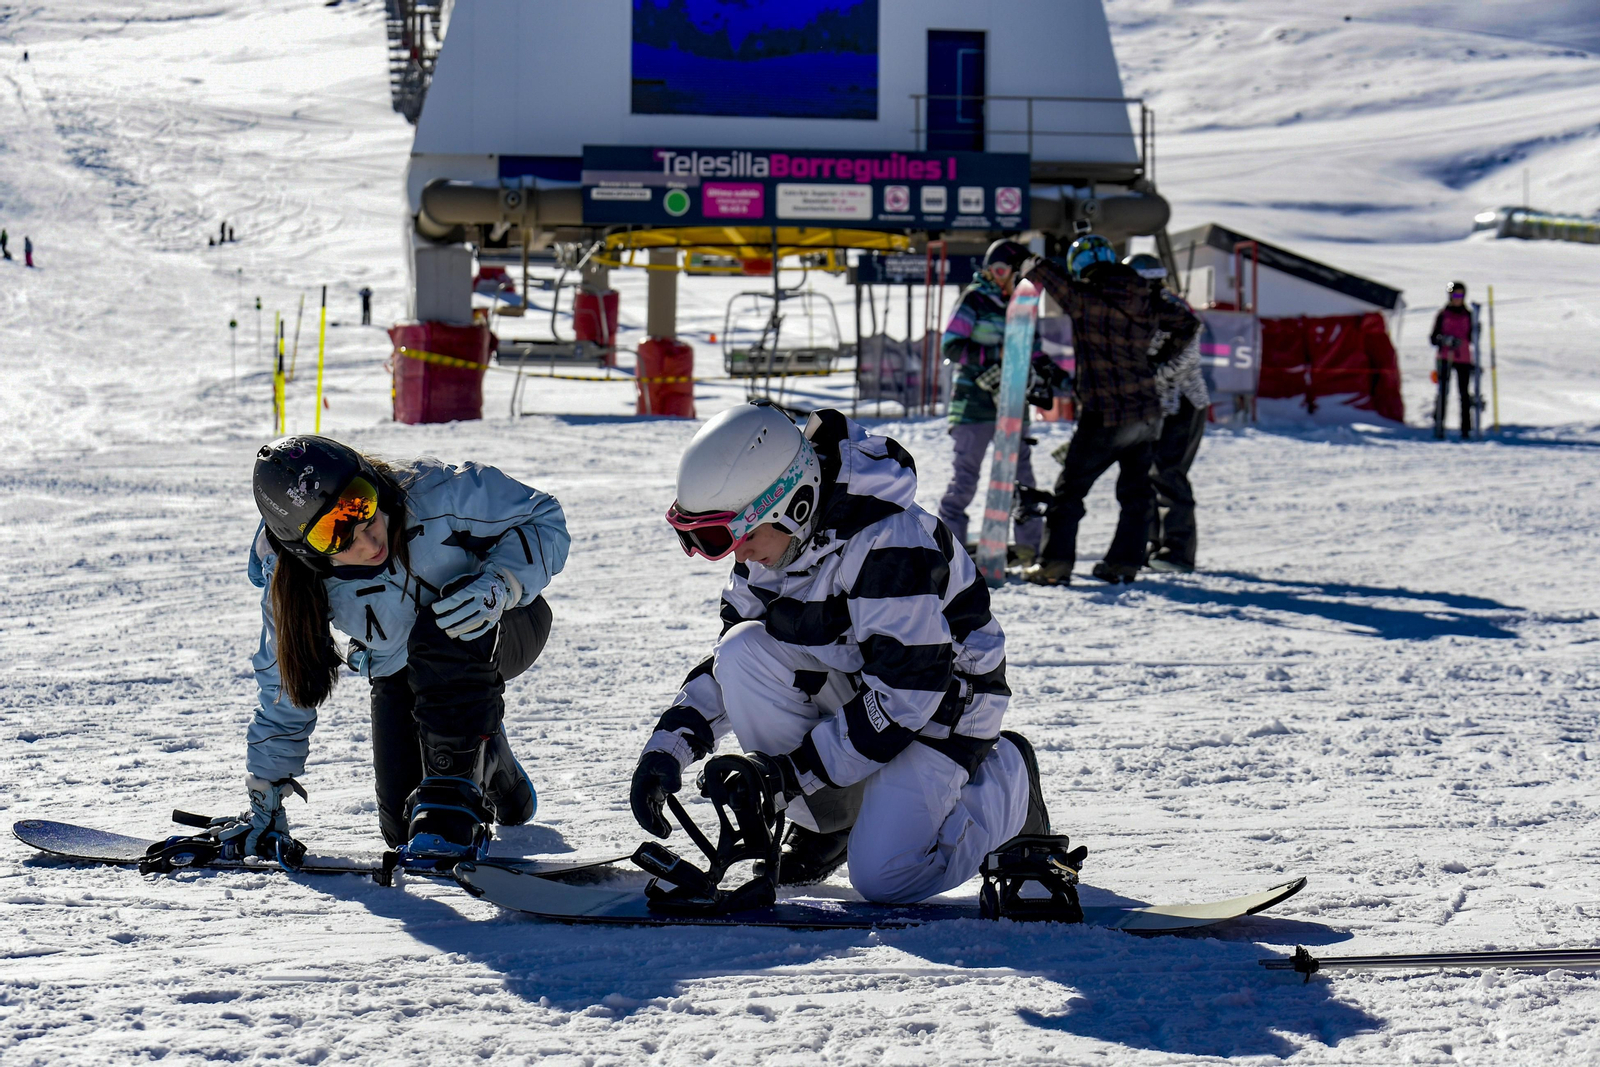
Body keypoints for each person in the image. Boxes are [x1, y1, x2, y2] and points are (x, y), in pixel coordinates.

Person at [630, 401, 1049, 902]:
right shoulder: (774, 545)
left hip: (942, 705)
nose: (736, 553)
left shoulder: (888, 542)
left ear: (793, 503)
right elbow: (728, 663)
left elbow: (906, 692)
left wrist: (786, 775)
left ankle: (1009, 783)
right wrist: (668, 749)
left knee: (884, 878)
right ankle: (829, 827)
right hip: (861, 685)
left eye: (736, 534)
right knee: (743, 650)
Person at [241, 435, 569, 859]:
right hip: (403, 664)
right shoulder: (293, 581)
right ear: (305, 549)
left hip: (501, 622)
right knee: (402, 826)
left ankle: (458, 782)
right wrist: (267, 792)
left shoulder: (436, 493)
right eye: (334, 534)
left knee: (440, 812)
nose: (368, 539)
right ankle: (487, 757)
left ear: (371, 480)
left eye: (361, 505)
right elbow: (284, 687)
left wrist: (503, 582)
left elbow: (544, 517)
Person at [1020, 236, 1200, 587]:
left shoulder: (1086, 298)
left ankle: (1054, 565)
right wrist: (1156, 360)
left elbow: (1052, 278)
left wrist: (1027, 260)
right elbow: (1188, 324)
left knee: (1070, 490)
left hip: (1106, 412)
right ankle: (1123, 565)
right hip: (1147, 412)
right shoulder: (1146, 295)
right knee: (1137, 494)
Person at [937, 239, 1043, 565]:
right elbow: (952, 346)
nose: (1020, 280)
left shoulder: (1023, 305)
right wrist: (999, 354)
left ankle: (1028, 548)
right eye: (1017, 272)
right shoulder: (976, 300)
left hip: (1011, 403)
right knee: (966, 477)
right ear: (1000, 271)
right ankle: (950, 549)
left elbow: (1034, 352)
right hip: (973, 406)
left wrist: (1045, 371)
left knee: (1021, 476)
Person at [1125, 253, 1211, 573]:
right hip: (1153, 406)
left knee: (1169, 472)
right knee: (1146, 473)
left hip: (1183, 404)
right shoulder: (1135, 310)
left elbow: (1184, 360)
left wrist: (1144, 376)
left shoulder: (1174, 309)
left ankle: (1178, 550)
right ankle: (1152, 544)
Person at [1429, 281, 1474, 441]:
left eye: (1460, 295)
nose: (1458, 298)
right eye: (1455, 295)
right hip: (1445, 357)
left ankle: (1466, 429)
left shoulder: (1468, 315)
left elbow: (1472, 337)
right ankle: (1439, 425)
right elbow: (1433, 338)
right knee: (1443, 393)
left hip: (1463, 358)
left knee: (1464, 394)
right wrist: (1445, 340)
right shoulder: (1443, 314)